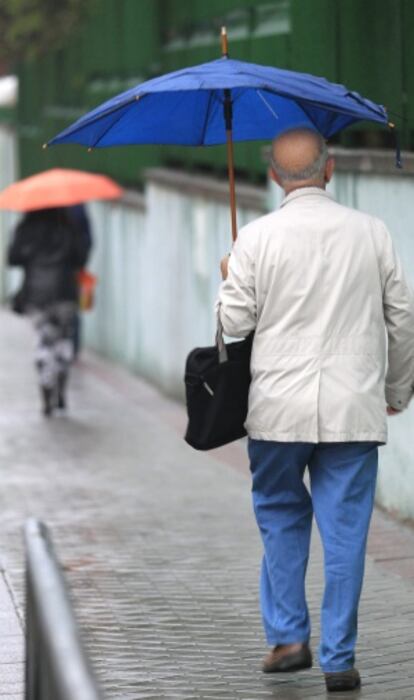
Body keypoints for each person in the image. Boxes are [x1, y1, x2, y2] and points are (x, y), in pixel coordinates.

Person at [217, 128, 414, 693]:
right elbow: (401, 317)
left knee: (280, 516)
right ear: (330, 171)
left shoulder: (256, 238)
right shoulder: (372, 233)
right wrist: (396, 391)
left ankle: (287, 639)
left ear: (276, 177)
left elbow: (232, 326)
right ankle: (339, 658)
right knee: (347, 531)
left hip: (277, 409)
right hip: (354, 407)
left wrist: (230, 277)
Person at [8, 207, 89, 416]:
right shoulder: (67, 226)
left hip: (36, 294)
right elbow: (81, 257)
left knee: (44, 339)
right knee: (63, 340)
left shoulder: (26, 227)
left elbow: (12, 258)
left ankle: (46, 388)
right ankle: (60, 388)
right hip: (65, 293)